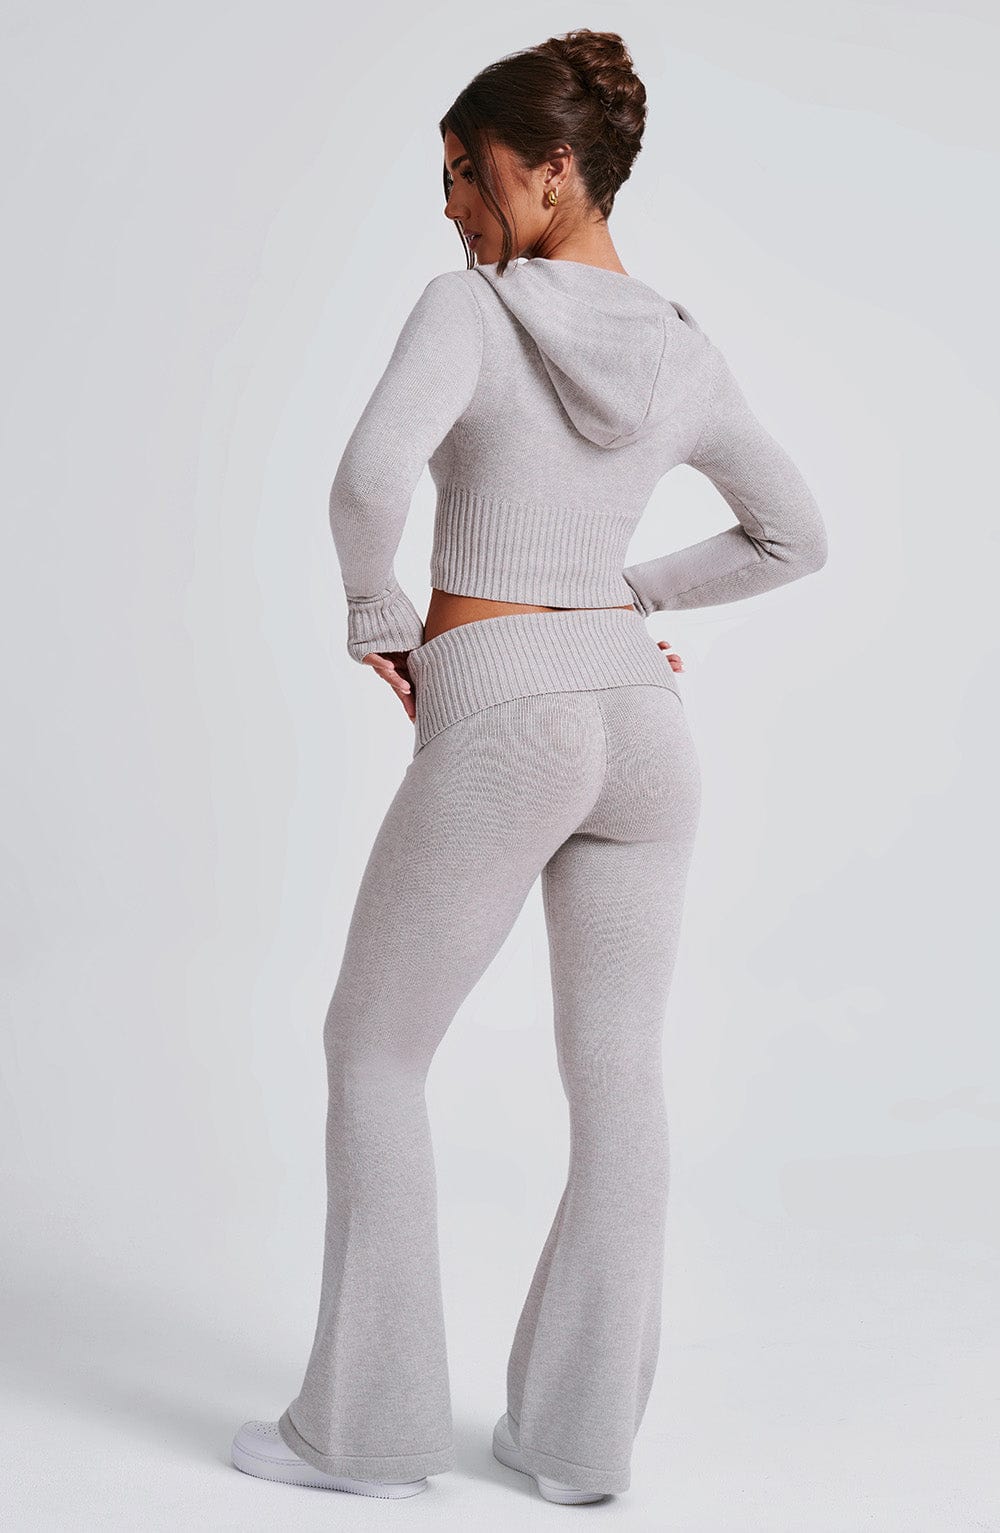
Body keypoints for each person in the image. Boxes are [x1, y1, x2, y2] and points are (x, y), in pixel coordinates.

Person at [230, 26, 828, 1506]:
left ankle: (363, 1434)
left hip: (509, 709)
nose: (450, 205)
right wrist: (629, 600)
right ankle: (576, 1443)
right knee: (619, 1079)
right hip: (643, 729)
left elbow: (368, 480)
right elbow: (793, 536)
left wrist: (379, 616)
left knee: (375, 1052)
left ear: (555, 171)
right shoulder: (683, 345)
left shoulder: (470, 311)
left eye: (467, 173)